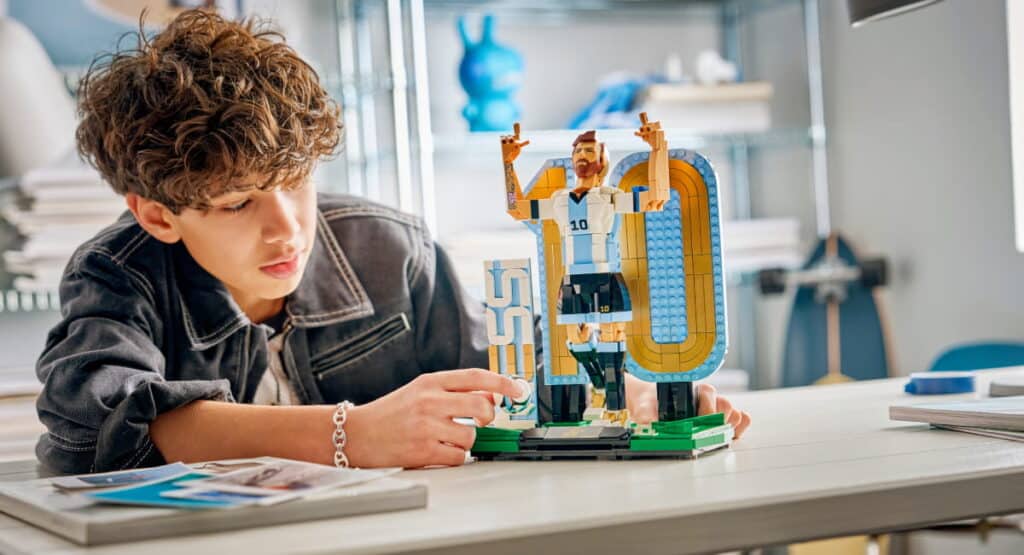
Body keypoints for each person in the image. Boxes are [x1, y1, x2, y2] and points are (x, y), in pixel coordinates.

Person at [34, 8, 750, 475]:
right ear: (158, 215)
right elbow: (91, 426)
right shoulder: (115, 274)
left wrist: (634, 397)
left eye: (297, 181)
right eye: (237, 203)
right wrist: (350, 433)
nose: (287, 226)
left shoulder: (386, 248)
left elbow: (515, 368)